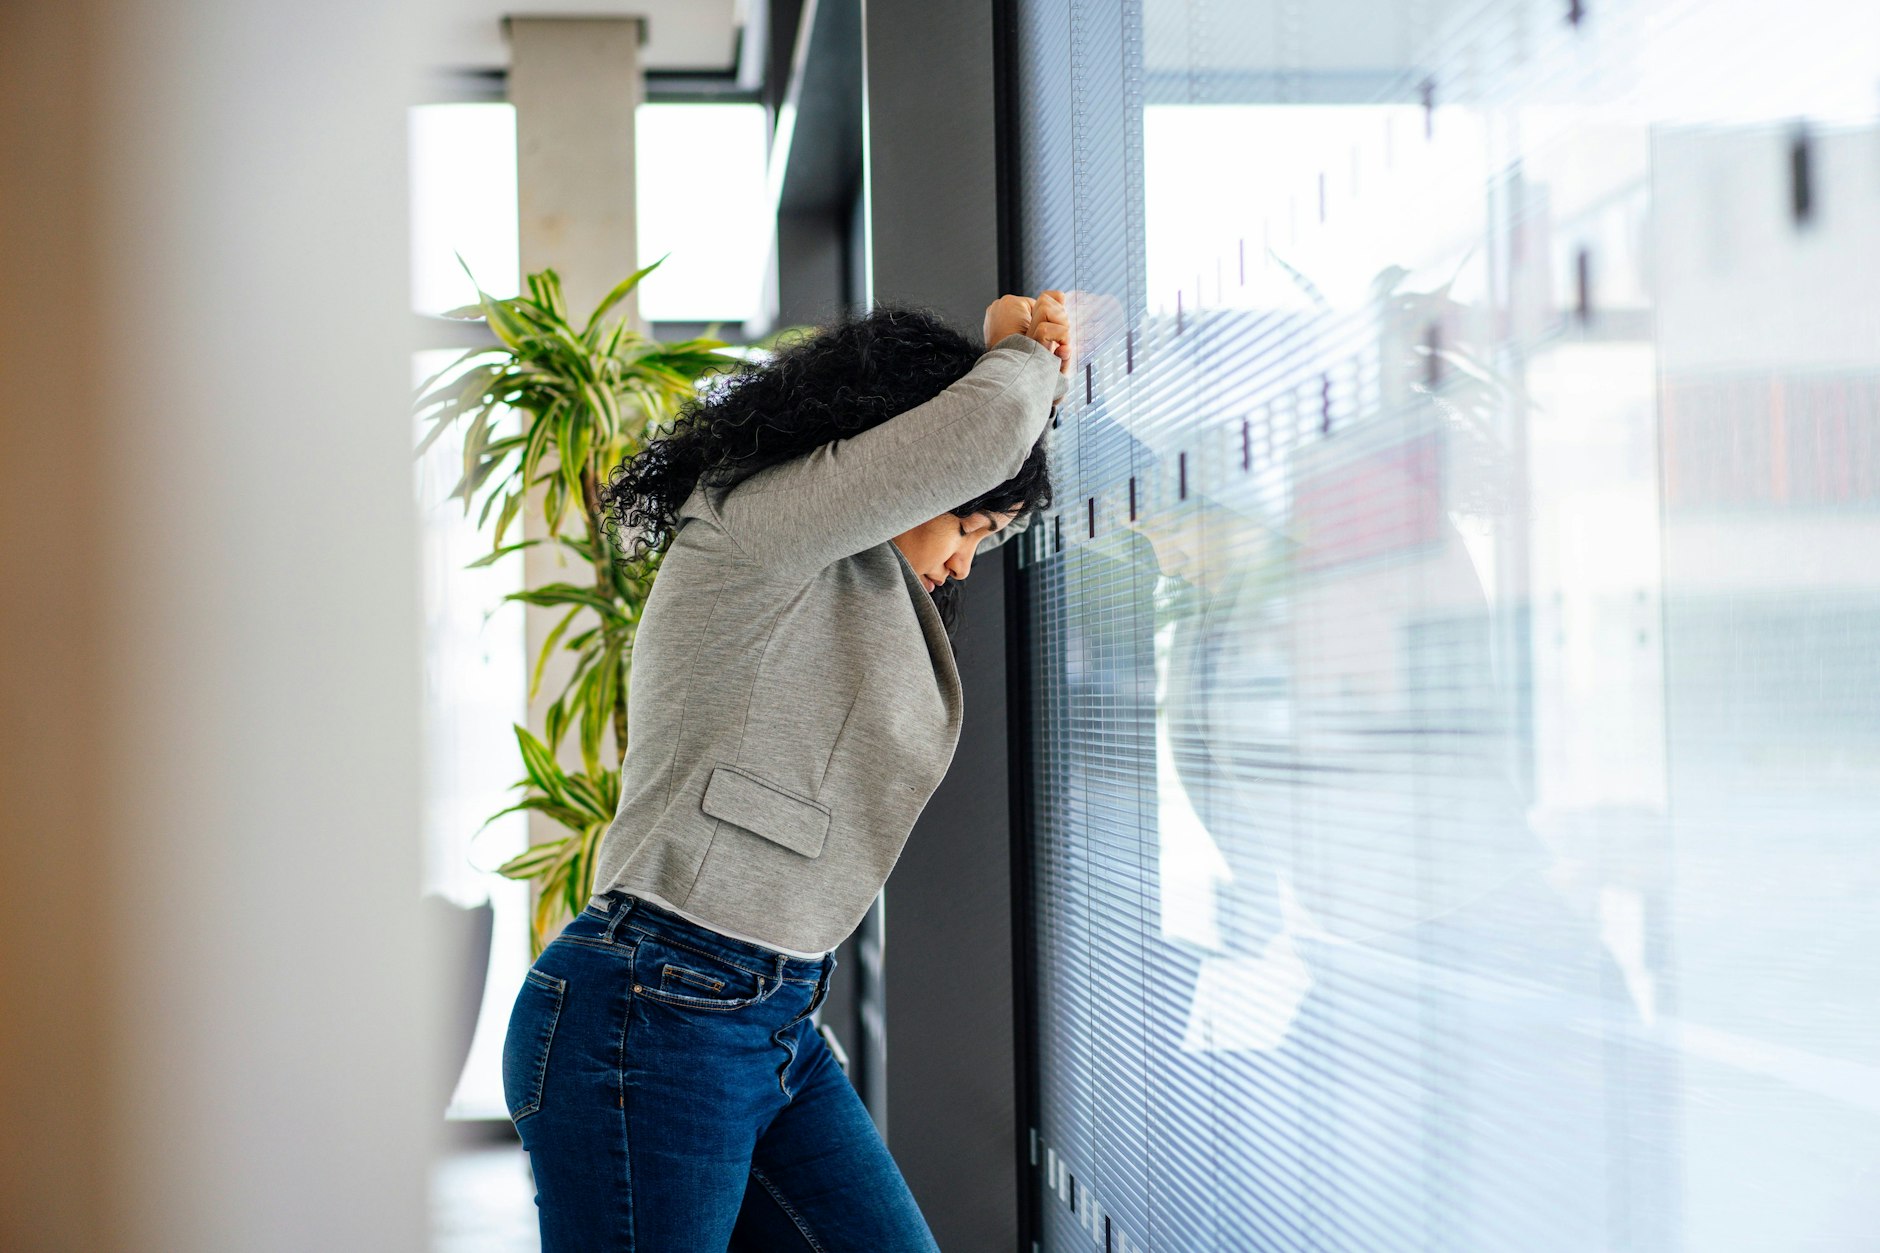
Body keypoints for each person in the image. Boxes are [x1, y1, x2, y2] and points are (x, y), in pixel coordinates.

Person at [501, 292, 1073, 1251]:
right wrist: (1020, 353)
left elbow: (973, 459)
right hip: (657, 1010)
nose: (966, 562)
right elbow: (982, 433)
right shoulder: (755, 518)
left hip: (763, 1016)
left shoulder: (833, 570)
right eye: (967, 528)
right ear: (896, 445)